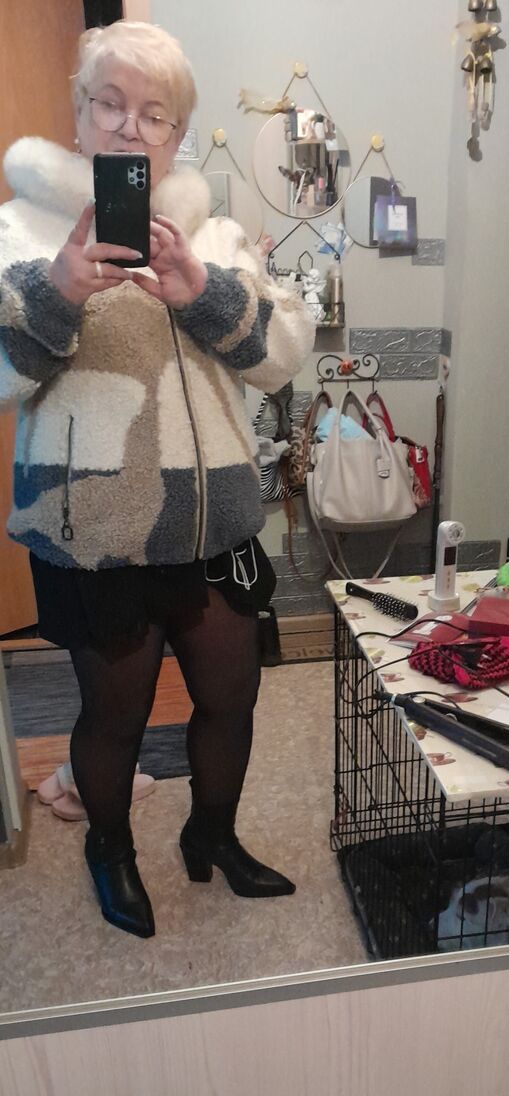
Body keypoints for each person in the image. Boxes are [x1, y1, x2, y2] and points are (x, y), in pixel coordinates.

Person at [0, 21, 315, 939]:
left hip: (213, 523)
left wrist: (202, 290)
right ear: (78, 112)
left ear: (178, 132)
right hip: (95, 530)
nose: (131, 129)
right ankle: (110, 848)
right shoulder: (19, 228)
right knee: (116, 715)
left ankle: (211, 833)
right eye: (111, 104)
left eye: (156, 113)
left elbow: (282, 354)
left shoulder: (212, 232)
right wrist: (59, 289)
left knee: (233, 694)